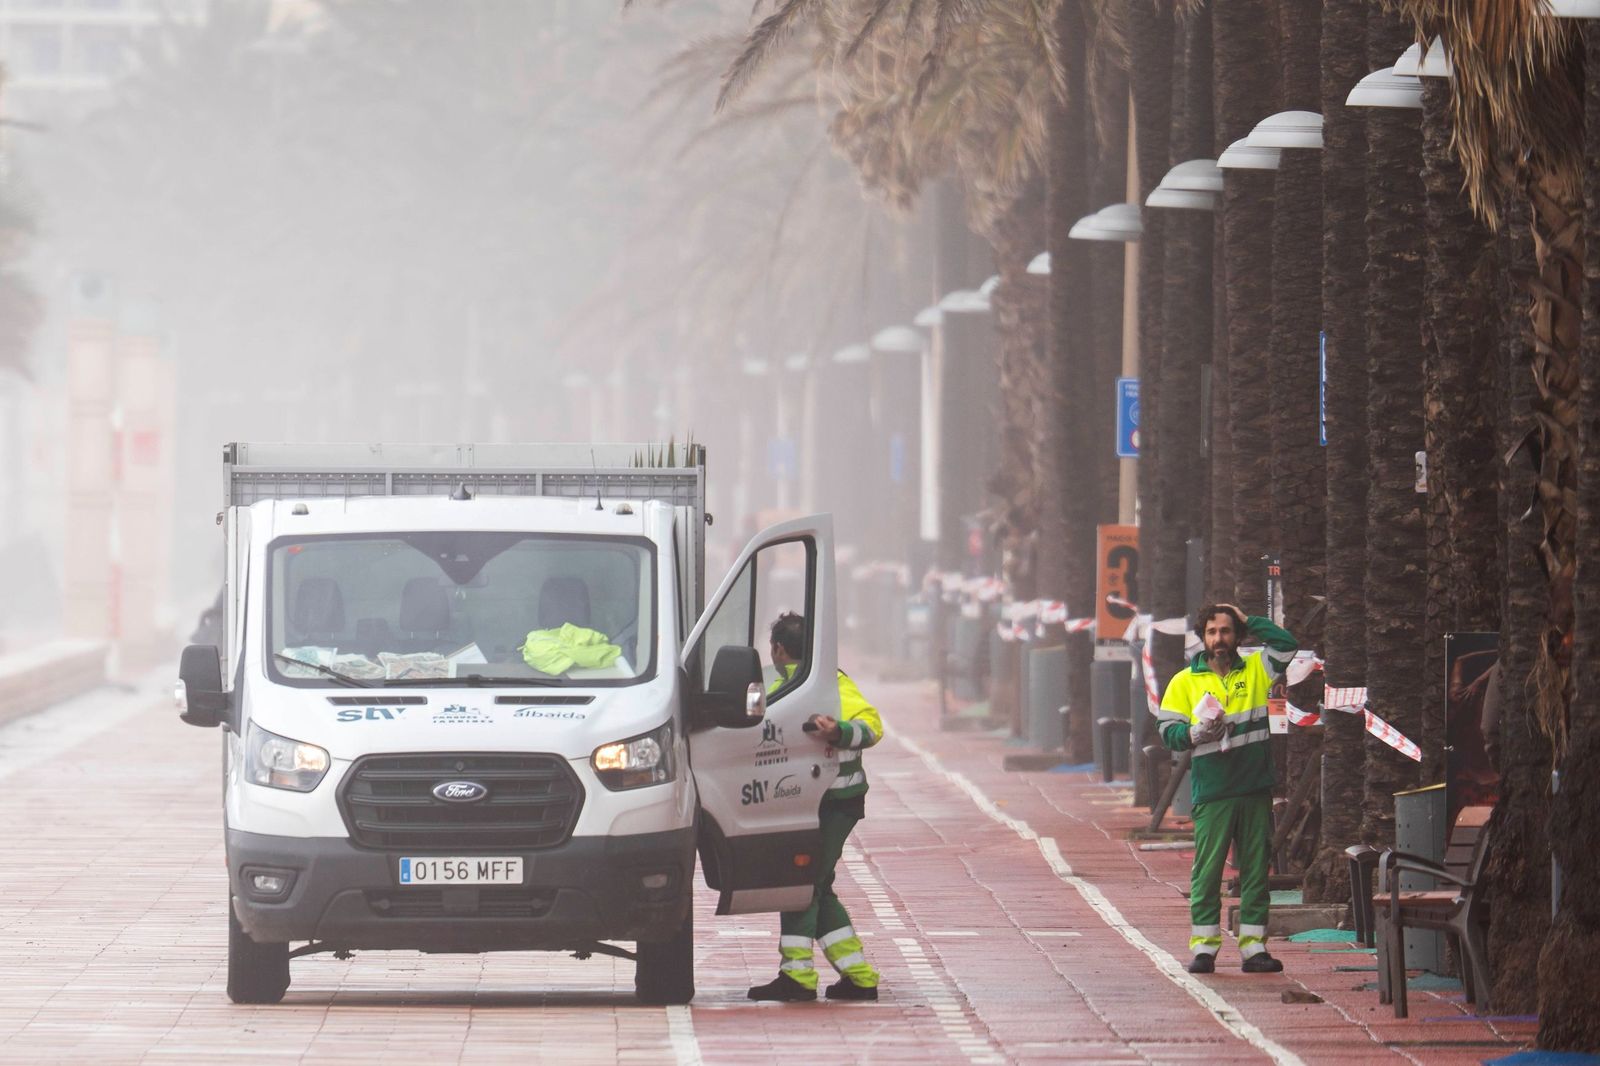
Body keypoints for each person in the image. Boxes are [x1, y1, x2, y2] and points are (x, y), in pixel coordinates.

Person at [748, 612, 884, 1003]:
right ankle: (859, 977)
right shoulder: (785, 687)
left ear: (777, 648)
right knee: (817, 887)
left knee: (801, 886)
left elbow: (871, 726)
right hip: (808, 802)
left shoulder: (829, 686)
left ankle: (797, 977)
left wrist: (838, 731)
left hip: (833, 804)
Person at [1157, 602, 1297, 974]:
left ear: (1237, 636)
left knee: (1255, 871)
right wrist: (1193, 732)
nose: (1220, 639)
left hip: (1254, 788)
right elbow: (1167, 733)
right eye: (1212, 632)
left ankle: (1254, 950)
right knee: (1207, 872)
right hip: (1214, 792)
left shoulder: (1256, 668)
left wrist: (1250, 619)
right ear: (1202, 638)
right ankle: (1204, 948)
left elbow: (1286, 645)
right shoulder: (1184, 681)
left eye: (1227, 631)